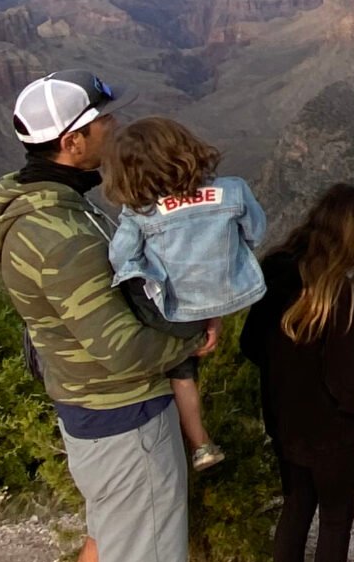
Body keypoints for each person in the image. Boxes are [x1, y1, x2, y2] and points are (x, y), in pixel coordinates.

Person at [0, 71, 207, 562]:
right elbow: (118, 344)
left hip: (84, 409)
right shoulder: (62, 234)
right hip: (121, 411)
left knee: (107, 540)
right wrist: (189, 343)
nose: (113, 129)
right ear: (73, 141)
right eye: (101, 123)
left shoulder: (30, 207)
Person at [241, 183, 354, 562]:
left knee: (295, 511)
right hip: (333, 434)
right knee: (337, 519)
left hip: (285, 425)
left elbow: (250, 347)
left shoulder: (274, 270)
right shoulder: (340, 292)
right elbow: (348, 381)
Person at [103, 116, 268, 469]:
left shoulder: (140, 212)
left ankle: (198, 442)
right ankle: (202, 441)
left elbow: (121, 257)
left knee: (178, 369)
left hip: (173, 313)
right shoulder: (233, 189)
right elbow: (255, 231)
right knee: (186, 361)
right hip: (222, 298)